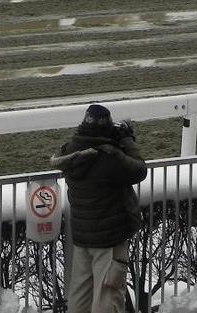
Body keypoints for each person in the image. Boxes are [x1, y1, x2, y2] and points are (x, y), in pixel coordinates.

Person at [50, 104, 147, 313]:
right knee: (108, 297)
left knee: (80, 297)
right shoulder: (109, 157)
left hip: (83, 238)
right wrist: (127, 140)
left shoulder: (70, 151)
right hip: (110, 239)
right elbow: (139, 169)